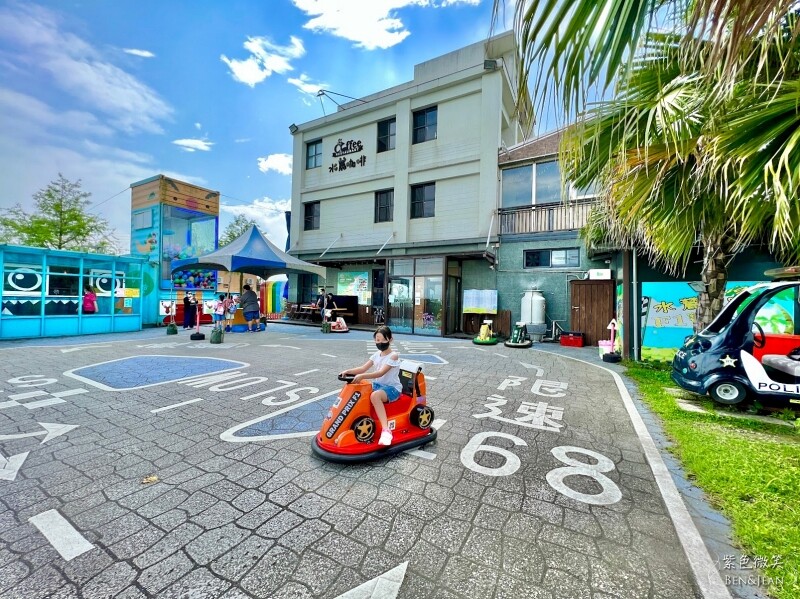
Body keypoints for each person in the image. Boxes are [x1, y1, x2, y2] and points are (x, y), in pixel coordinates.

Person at [339, 326, 402, 446]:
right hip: (378, 385)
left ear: (390, 339)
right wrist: (348, 371)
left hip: (392, 388)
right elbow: (363, 368)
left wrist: (362, 376)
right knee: (359, 392)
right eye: (377, 340)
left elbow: (380, 373)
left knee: (375, 396)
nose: (380, 343)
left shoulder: (393, 356)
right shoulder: (376, 355)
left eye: (383, 340)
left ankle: (386, 431)